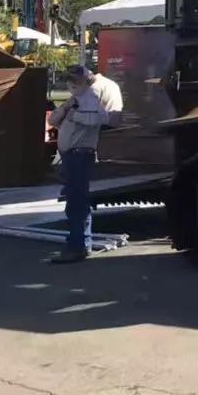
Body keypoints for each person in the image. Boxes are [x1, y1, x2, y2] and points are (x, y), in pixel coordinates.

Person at [47, 64, 123, 263]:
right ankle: (80, 244)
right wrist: (67, 107)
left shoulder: (92, 95)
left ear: (84, 81)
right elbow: (53, 120)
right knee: (75, 201)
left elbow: (106, 118)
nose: (71, 86)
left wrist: (76, 115)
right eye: (69, 82)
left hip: (79, 154)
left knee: (77, 203)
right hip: (72, 154)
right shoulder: (78, 97)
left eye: (74, 82)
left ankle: (77, 246)